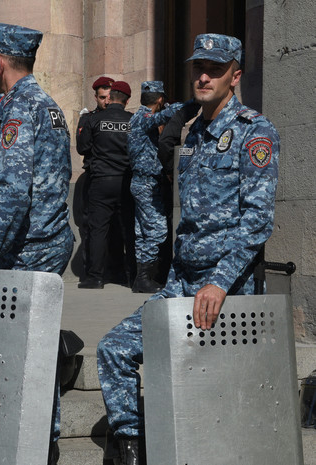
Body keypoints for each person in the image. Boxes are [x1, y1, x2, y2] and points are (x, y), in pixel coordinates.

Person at [97, 34, 279, 465]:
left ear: (234, 76)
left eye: (214, 70)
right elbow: (140, 124)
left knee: (218, 387)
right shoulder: (192, 130)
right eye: (197, 67)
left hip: (228, 289)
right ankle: (130, 447)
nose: (202, 76)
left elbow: (257, 221)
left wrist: (218, 282)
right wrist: (180, 109)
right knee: (113, 348)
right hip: (181, 283)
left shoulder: (255, 132)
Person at [0, 23, 75, 465]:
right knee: (33, 348)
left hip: (32, 248)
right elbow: (44, 180)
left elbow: (13, 192)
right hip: (47, 236)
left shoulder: (20, 110)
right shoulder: (47, 104)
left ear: (0, 63)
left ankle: (39, 444)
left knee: (26, 354)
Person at [127, 82, 195, 293]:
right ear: (159, 99)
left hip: (140, 181)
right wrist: (195, 101)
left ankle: (142, 278)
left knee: (143, 232)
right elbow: (163, 117)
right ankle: (145, 277)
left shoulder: (135, 118)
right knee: (156, 231)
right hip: (148, 182)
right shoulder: (144, 118)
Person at [78, 80, 136, 289]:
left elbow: (83, 147)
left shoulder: (93, 119)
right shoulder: (133, 120)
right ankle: (132, 276)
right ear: (127, 100)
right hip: (126, 181)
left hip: (101, 180)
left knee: (98, 229)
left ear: (110, 98)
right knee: (129, 230)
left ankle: (95, 277)